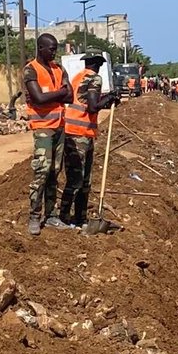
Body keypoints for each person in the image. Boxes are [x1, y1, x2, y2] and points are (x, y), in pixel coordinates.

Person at [60, 52, 119, 228]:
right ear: (98, 64)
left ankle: (79, 218)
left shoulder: (78, 77)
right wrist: (109, 99)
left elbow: (85, 102)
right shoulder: (95, 79)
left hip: (72, 131)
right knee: (80, 179)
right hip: (80, 134)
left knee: (78, 178)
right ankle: (68, 217)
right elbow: (93, 107)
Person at [23, 34, 72, 235]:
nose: (54, 52)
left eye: (55, 49)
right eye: (51, 49)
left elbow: (70, 95)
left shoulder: (59, 69)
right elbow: (38, 98)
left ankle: (51, 215)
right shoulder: (30, 69)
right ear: (40, 48)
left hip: (59, 126)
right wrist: (59, 93)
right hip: (42, 127)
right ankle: (34, 216)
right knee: (42, 171)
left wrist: (58, 94)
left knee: (54, 171)